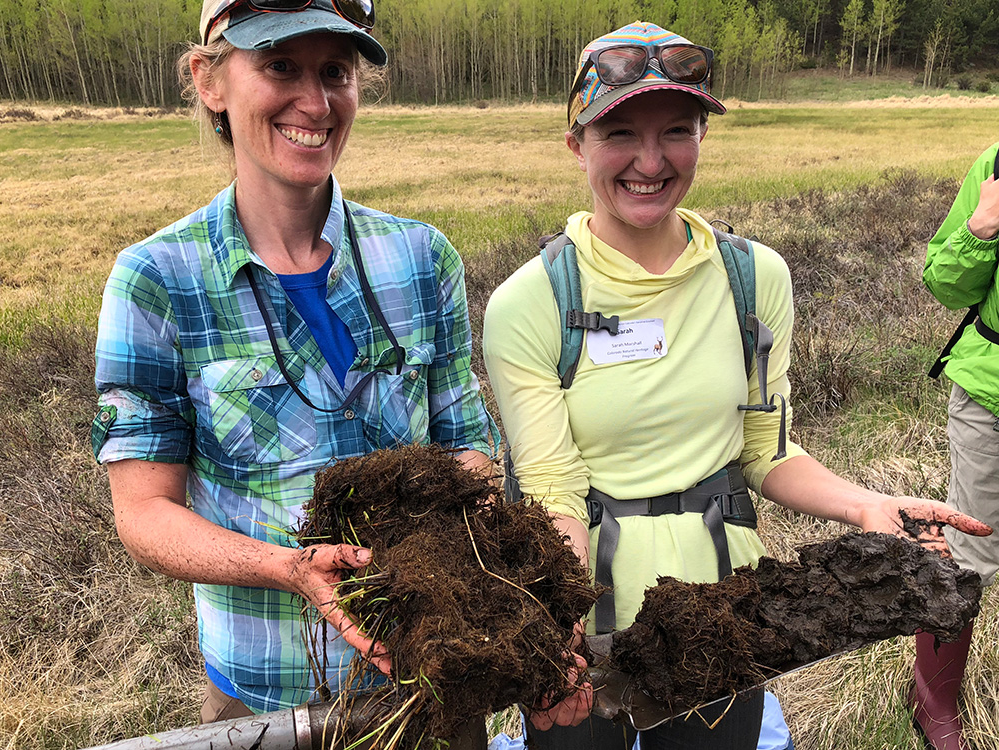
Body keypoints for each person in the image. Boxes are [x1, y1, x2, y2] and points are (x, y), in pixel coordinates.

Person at [482, 21, 992, 750]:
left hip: (724, 621)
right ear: (578, 144)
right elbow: (554, 488)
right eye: (620, 132)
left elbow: (765, 449)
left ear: (702, 137)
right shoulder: (529, 304)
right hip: (585, 631)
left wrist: (866, 505)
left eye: (678, 131)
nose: (651, 161)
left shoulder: (753, 280)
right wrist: (559, 630)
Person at [91, 0, 496, 728]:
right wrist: (288, 568)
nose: (315, 102)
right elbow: (144, 512)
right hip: (263, 694)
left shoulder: (421, 259)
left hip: (430, 674)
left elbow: (469, 443)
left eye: (335, 71)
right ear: (209, 80)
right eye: (280, 65)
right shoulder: (159, 280)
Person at [915, 142, 999, 750]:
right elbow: (945, 281)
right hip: (991, 393)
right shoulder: (996, 163)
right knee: (970, 549)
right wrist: (982, 226)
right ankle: (934, 700)